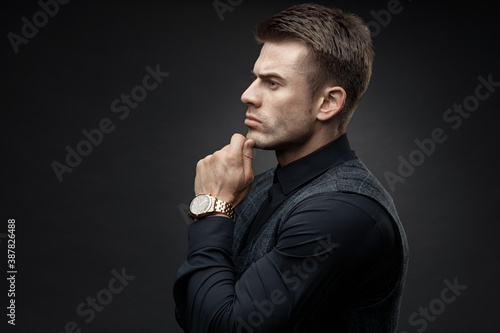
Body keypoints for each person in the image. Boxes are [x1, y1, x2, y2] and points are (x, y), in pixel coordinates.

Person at [173, 3, 409, 332]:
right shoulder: (254, 187)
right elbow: (195, 311)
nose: (247, 95)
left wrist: (212, 207)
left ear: (328, 103)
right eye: (254, 79)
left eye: (272, 83)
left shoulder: (343, 211)